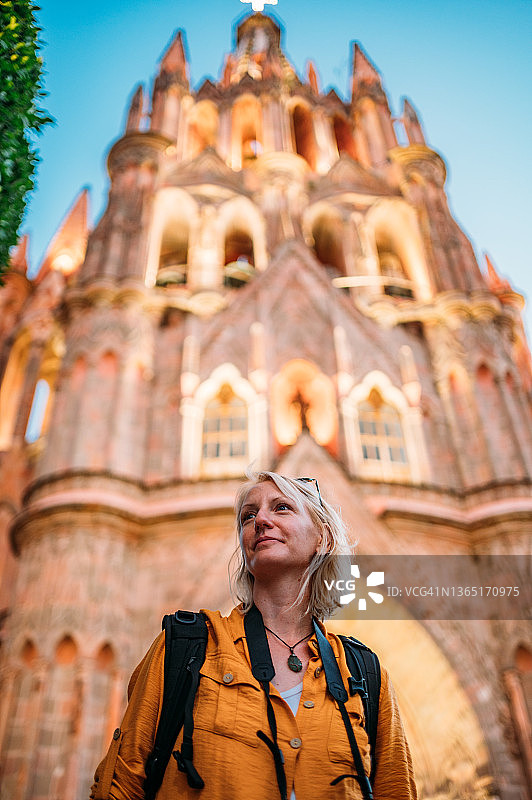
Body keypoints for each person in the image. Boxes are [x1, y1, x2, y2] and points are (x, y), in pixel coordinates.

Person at [91, 471, 417, 800]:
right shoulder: (185, 646)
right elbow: (120, 787)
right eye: (249, 515)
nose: (260, 519)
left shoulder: (366, 674)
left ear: (324, 539)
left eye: (282, 508)